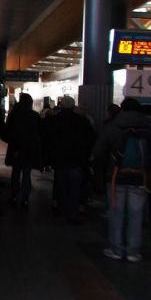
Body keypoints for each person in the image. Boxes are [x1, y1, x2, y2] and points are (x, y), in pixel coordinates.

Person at [94, 98, 151, 262]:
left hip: (115, 177)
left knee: (116, 214)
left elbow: (99, 151)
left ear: (122, 109)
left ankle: (116, 249)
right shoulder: (147, 127)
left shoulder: (112, 126)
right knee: (136, 214)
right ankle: (133, 252)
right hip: (140, 177)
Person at [43, 95, 96, 224]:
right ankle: (72, 213)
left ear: (61, 105)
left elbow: (47, 140)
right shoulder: (82, 121)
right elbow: (91, 138)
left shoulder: (53, 120)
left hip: (60, 159)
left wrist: (48, 158)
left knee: (60, 185)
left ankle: (60, 209)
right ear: (73, 106)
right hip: (77, 160)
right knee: (75, 188)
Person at [4, 93, 41, 209]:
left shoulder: (14, 115)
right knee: (26, 174)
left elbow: (7, 133)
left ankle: (14, 195)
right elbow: (40, 134)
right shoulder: (35, 116)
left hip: (16, 150)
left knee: (15, 173)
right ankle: (25, 198)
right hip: (29, 150)